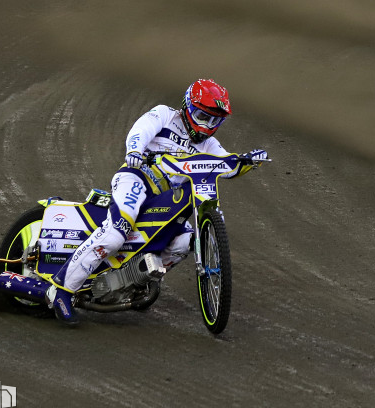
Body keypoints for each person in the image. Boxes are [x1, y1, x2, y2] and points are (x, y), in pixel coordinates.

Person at [47, 79, 268, 326]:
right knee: (115, 234)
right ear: (187, 107)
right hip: (137, 178)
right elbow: (141, 130)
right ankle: (61, 290)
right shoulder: (165, 115)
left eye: (214, 121)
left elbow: (227, 165)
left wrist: (247, 162)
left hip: (166, 199)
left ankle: (137, 282)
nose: (207, 126)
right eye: (202, 117)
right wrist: (134, 150)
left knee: (184, 242)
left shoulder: (209, 144)